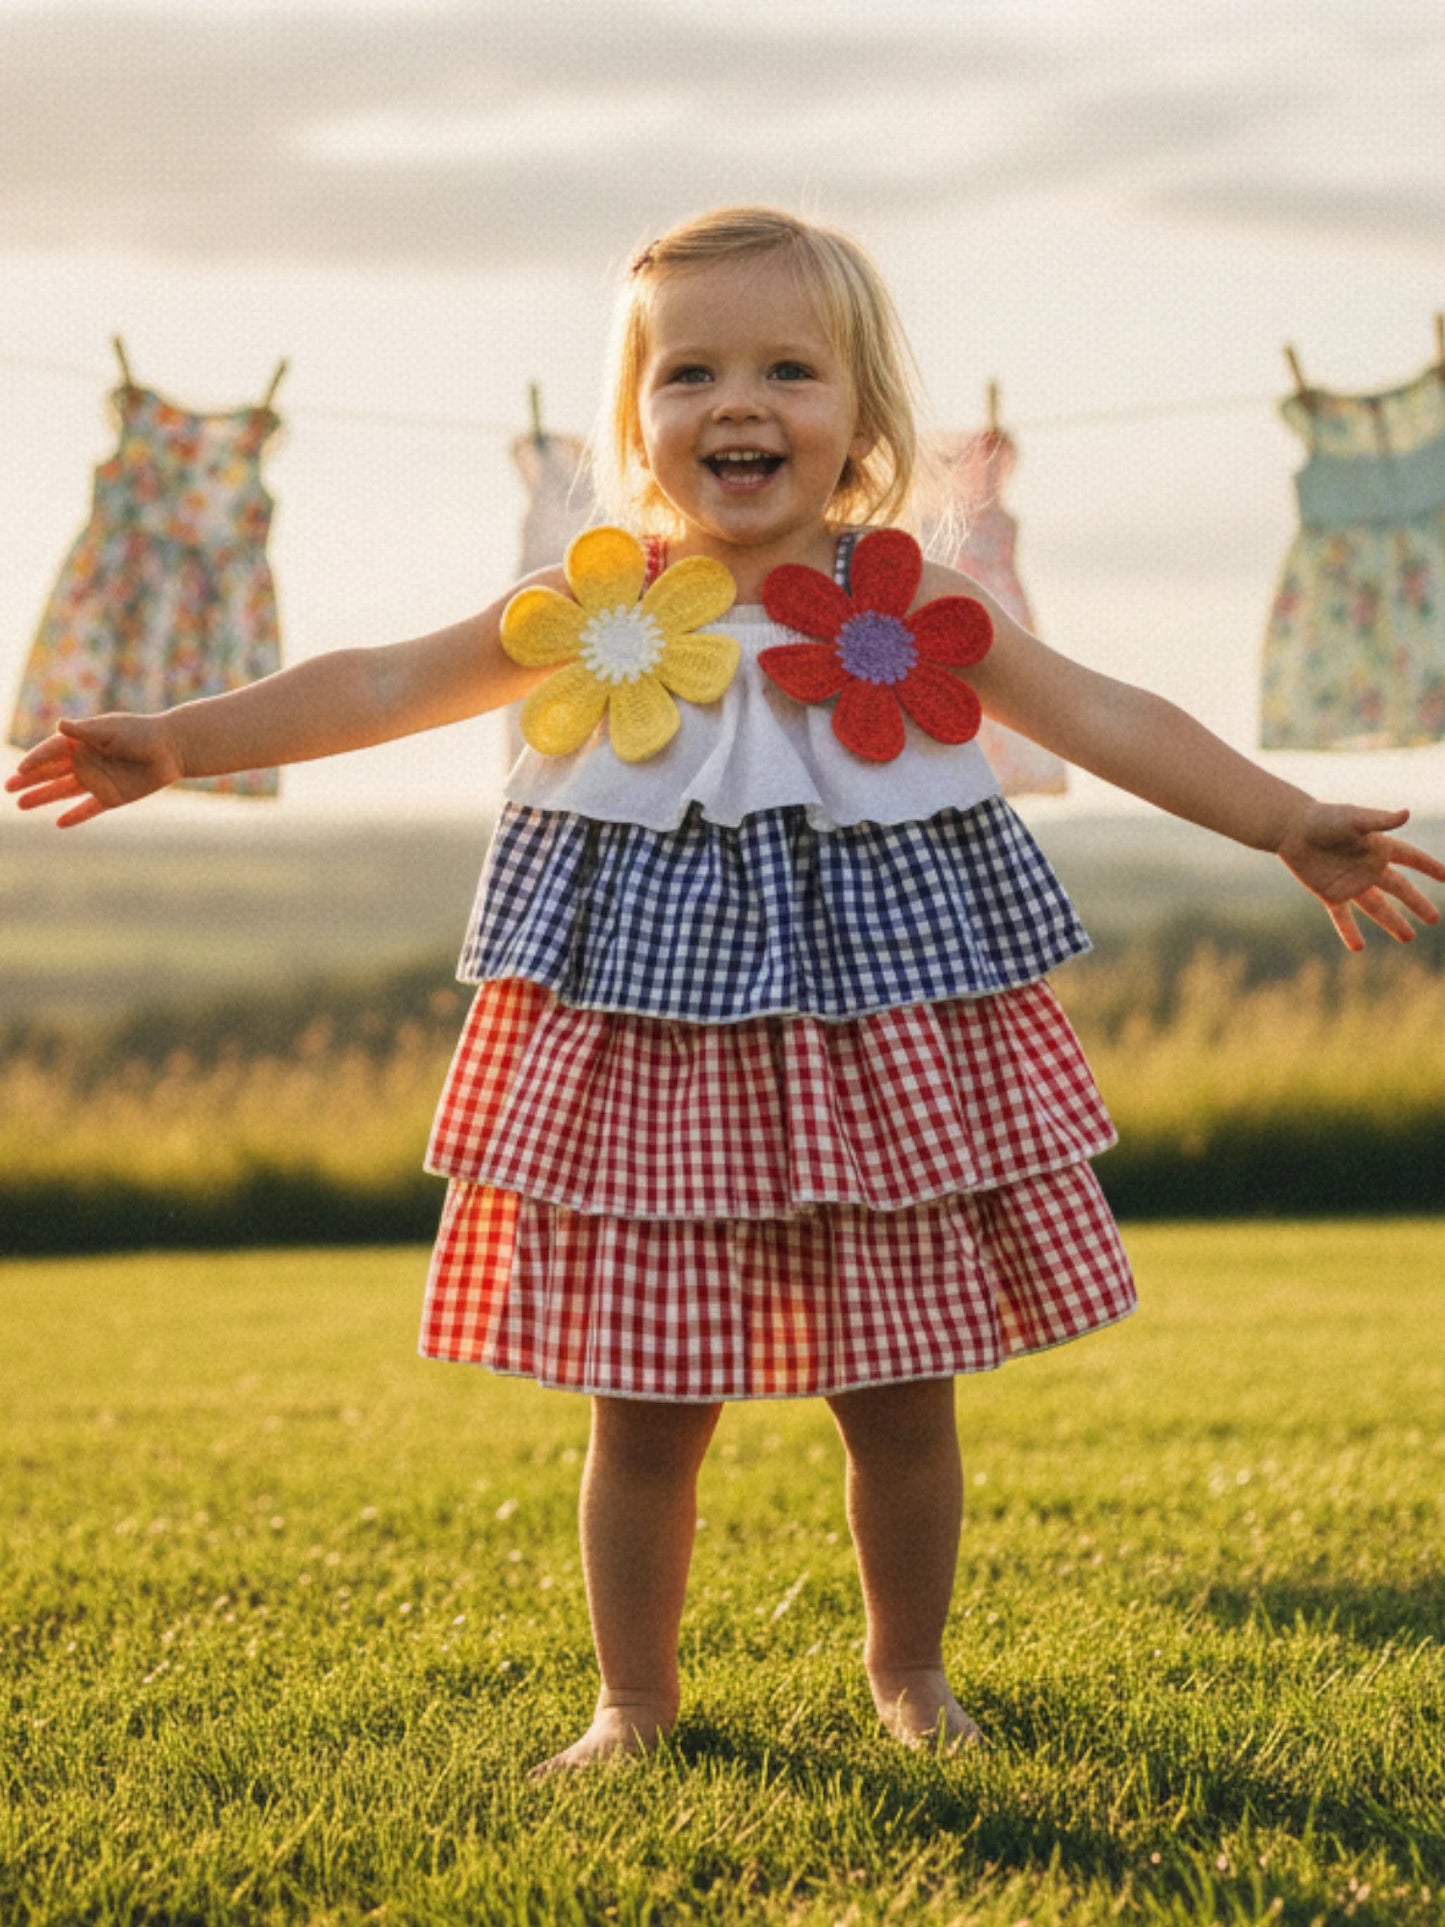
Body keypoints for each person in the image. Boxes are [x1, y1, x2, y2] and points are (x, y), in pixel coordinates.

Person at [8, 208, 1443, 1778]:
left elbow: (1102, 710)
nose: (737, 403)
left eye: (786, 370)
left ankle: (911, 1675)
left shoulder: (920, 612)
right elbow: (376, 681)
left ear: (863, 423)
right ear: (636, 423)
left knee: (900, 1394)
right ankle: (631, 1702)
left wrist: (1276, 817)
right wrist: (187, 737)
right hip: (649, 1069)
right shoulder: (588, 605)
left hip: (880, 1063)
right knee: (640, 1414)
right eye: (689, 372)